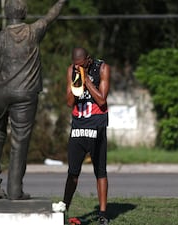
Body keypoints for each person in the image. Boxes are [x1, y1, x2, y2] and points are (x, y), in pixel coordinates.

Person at [0, 0, 67, 200]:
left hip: (1, 93)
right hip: (25, 94)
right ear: (24, 13)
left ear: (6, 14)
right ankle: (15, 189)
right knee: (19, 140)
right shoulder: (33, 32)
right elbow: (51, 15)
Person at [54, 47, 111, 225]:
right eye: (75, 64)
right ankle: (64, 207)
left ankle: (102, 213)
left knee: (100, 171)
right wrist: (77, 80)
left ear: (88, 59)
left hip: (97, 125)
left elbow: (102, 100)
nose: (78, 67)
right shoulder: (72, 70)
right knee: (73, 172)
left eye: (81, 64)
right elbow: (70, 102)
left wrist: (86, 80)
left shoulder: (102, 68)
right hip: (78, 126)